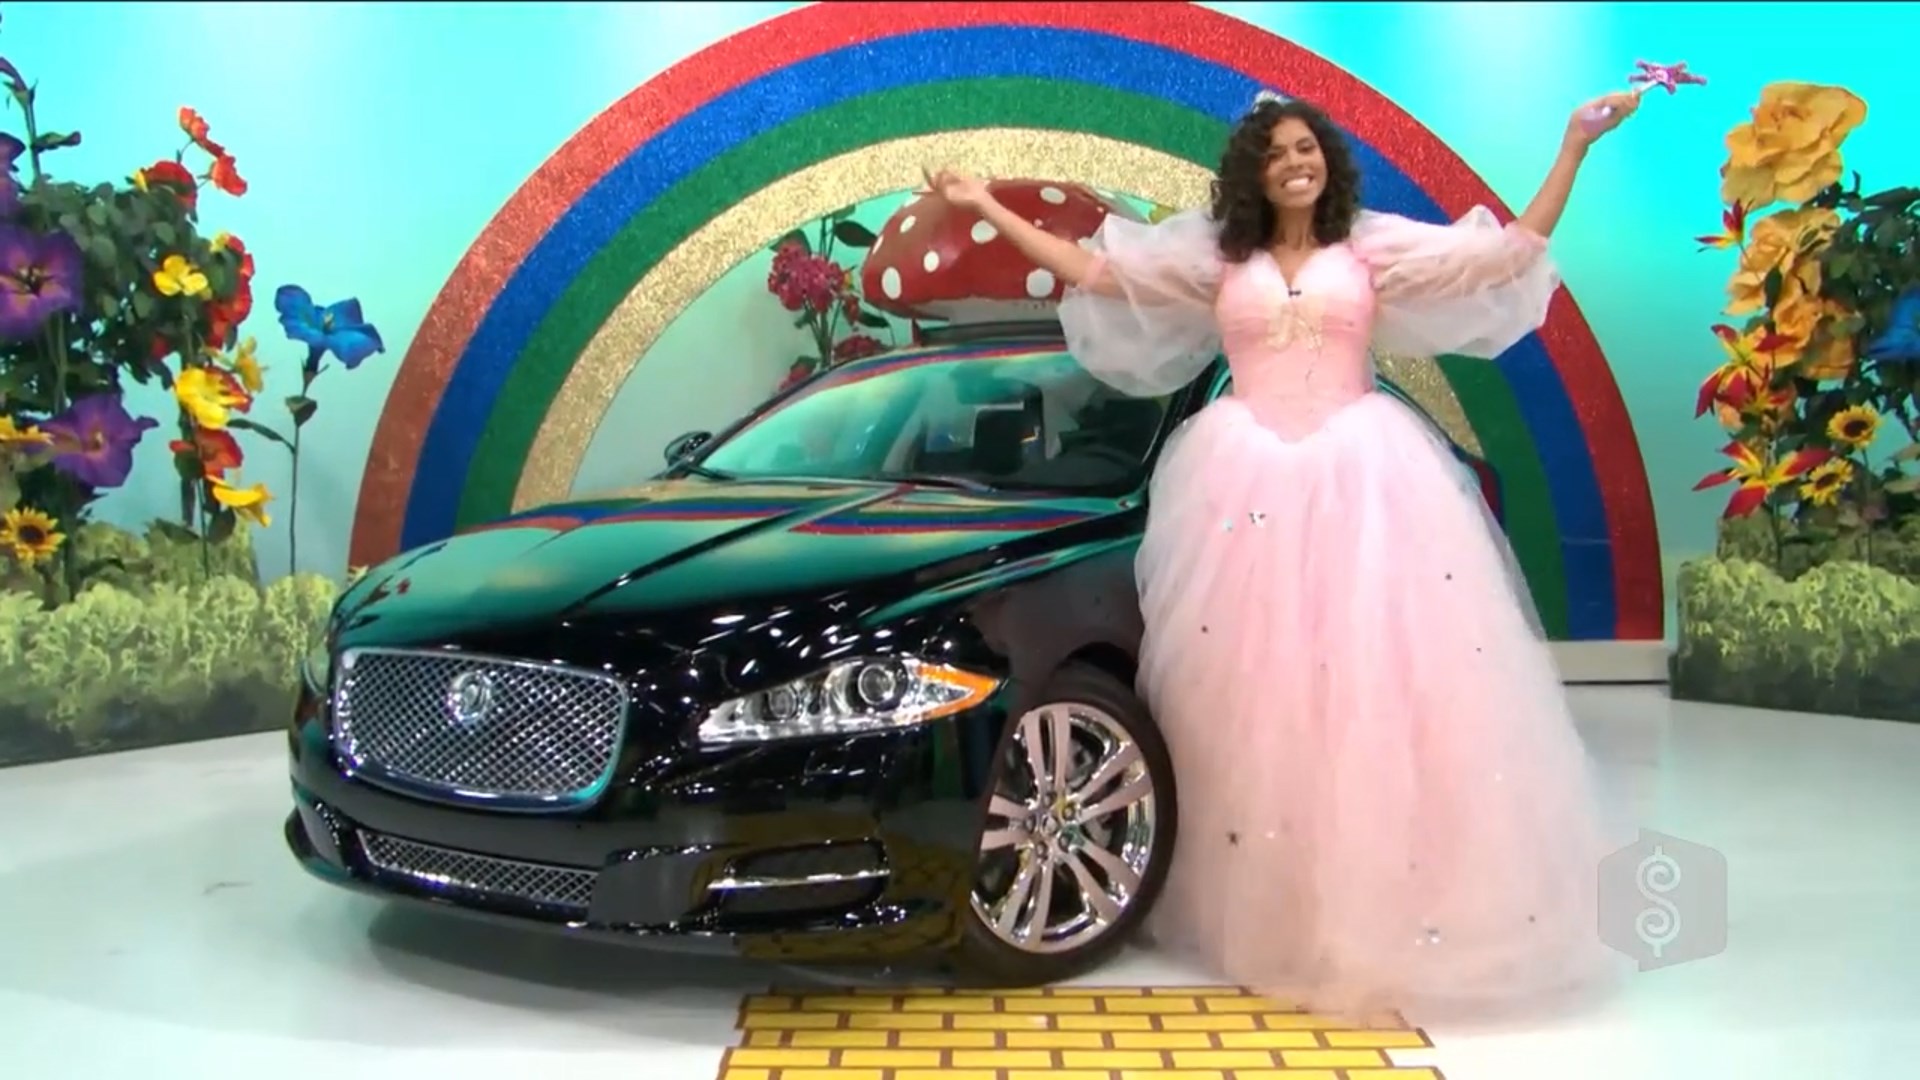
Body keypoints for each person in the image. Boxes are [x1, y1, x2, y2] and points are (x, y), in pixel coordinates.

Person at [922, 90, 1640, 1020]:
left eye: (1309, 149)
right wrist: (987, 208)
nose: (1296, 162)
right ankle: (1270, 900)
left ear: (1328, 163)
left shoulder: (1369, 251)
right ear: (1254, 174)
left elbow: (1504, 254)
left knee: (1378, 700)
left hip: (1367, 484)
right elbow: (1096, 276)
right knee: (1258, 702)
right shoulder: (1221, 260)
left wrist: (1575, 143)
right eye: (1278, 153)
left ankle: (1393, 900)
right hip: (1244, 491)